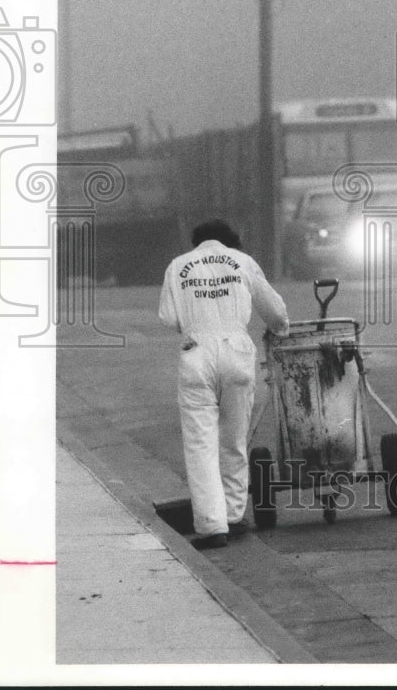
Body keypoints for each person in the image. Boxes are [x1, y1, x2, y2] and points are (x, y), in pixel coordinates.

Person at [159, 219, 289, 550]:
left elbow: (169, 319)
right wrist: (280, 328)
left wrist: (193, 323)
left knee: (201, 445)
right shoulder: (242, 262)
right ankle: (233, 516)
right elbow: (274, 310)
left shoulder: (178, 266)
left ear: (196, 243)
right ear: (230, 243)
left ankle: (212, 526)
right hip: (237, 352)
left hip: (197, 355)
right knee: (233, 439)